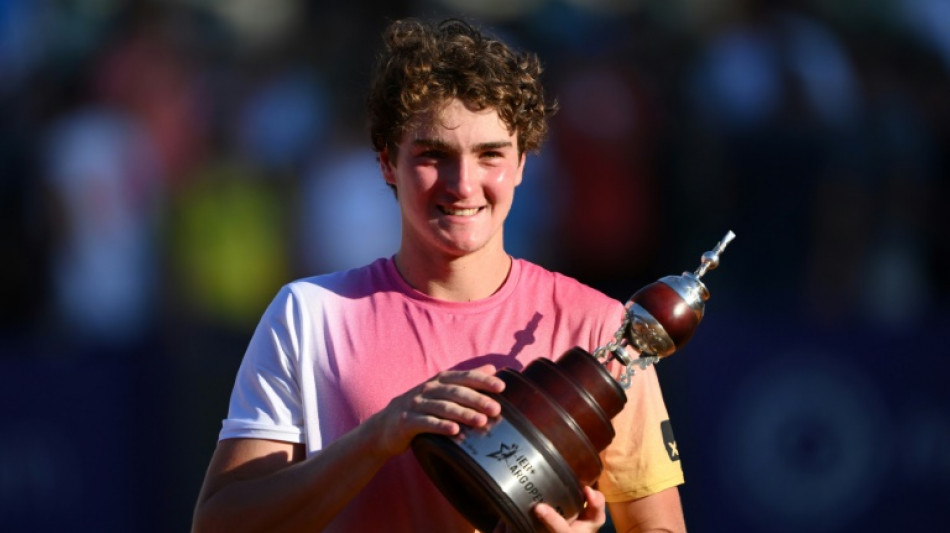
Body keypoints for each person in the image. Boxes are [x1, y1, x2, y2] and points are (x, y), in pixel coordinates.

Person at [192, 18, 686, 533]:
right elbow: (220, 525)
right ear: (386, 162)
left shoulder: (604, 328)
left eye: (490, 155)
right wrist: (379, 435)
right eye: (434, 155)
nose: (463, 184)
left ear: (522, 163)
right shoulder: (309, 315)